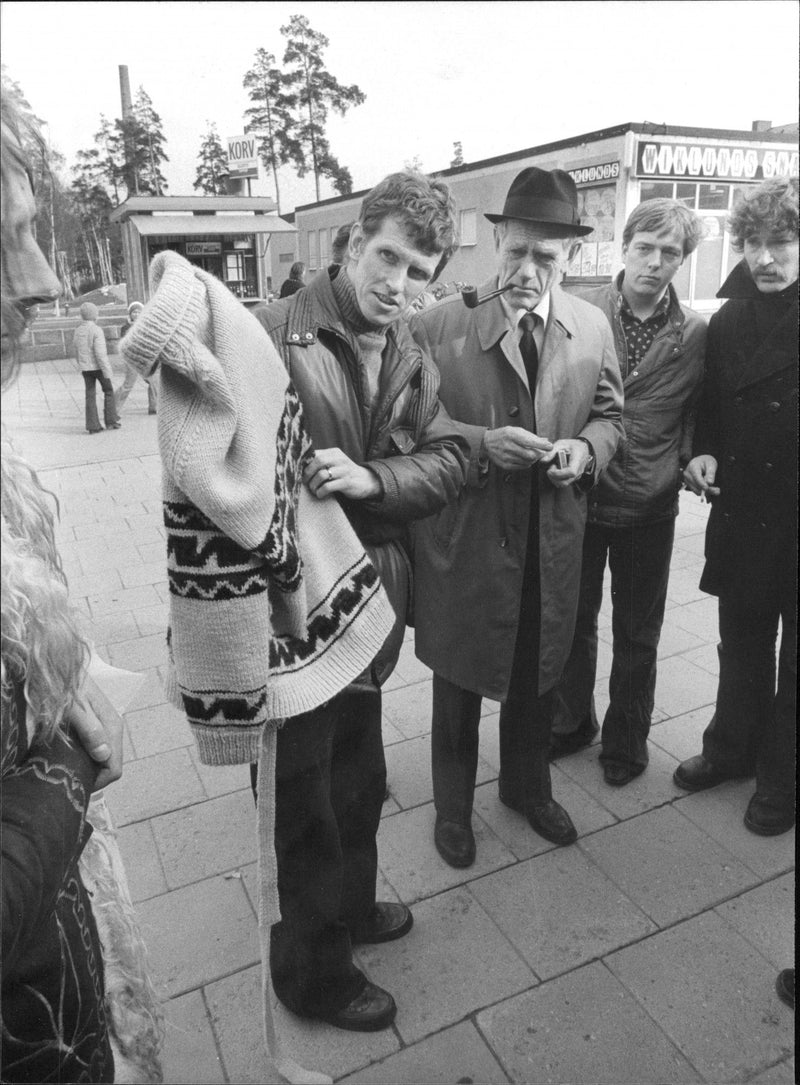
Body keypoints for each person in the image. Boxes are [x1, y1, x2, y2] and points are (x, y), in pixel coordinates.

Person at [253, 171, 467, 1032]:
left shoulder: (413, 352)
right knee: (302, 805)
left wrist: (371, 476)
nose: (397, 284)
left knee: (360, 782)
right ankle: (313, 974)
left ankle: (352, 910)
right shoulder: (273, 334)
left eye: (419, 271)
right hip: (297, 617)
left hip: (373, 610)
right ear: (351, 242)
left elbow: (450, 459)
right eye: (386, 257)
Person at [409, 167, 624, 869]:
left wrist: (584, 451)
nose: (528, 271)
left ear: (570, 259)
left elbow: (613, 417)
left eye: (546, 258)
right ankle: (451, 810)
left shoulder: (591, 325)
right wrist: (480, 445)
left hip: (549, 538)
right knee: (460, 679)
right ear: (496, 243)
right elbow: (408, 425)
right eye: (516, 253)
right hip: (467, 540)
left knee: (537, 672)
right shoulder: (439, 324)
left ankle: (527, 790)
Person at [2, 94, 123, 1085]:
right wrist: (71, 758)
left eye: (33, 233)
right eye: (9, 240)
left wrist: (63, 671)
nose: (41, 279)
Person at [549, 199, 707, 784]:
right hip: (581, 497)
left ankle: (626, 738)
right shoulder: (580, 312)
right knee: (574, 620)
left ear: (682, 261)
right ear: (626, 246)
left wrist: (691, 457)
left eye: (670, 253)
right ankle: (571, 722)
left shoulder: (694, 333)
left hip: (649, 504)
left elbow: (696, 411)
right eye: (646, 247)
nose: (655, 262)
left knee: (639, 631)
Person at [674, 177, 797, 837]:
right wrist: (704, 452)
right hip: (745, 510)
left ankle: (783, 778)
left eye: (780, 242)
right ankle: (731, 749)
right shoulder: (727, 319)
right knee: (741, 643)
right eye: (753, 242)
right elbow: (713, 409)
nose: (764, 258)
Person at [73, 301, 120, 433]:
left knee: (90, 394)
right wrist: (107, 370)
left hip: (85, 368)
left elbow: (75, 349)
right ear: (95, 315)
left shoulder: (78, 331)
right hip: (98, 367)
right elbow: (100, 354)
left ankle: (92, 425)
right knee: (108, 390)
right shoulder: (96, 330)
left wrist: (81, 364)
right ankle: (111, 421)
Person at [115, 301, 157, 415]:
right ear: (130, 314)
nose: (136, 314)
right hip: (132, 360)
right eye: (134, 312)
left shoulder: (147, 325)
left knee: (153, 382)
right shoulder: (125, 327)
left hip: (144, 359)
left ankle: (154, 407)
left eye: (139, 312)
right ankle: (113, 407)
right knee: (128, 385)